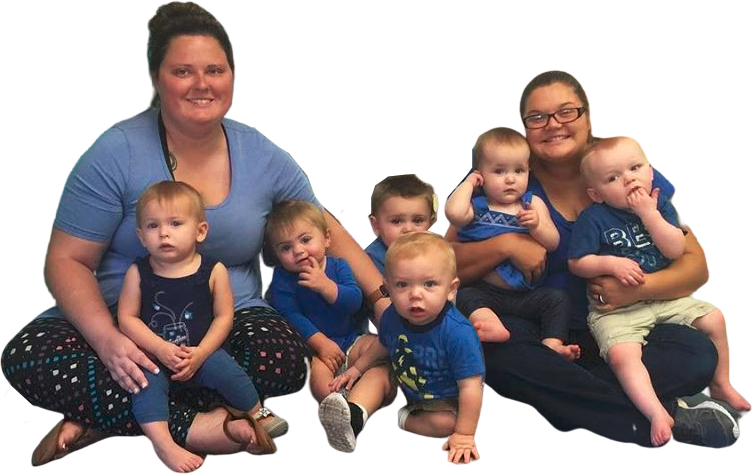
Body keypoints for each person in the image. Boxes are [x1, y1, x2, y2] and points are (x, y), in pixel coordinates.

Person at [0, 0, 388, 467]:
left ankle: (111, 417)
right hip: (126, 324)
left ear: (231, 74)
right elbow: (64, 262)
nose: (202, 84)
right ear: (157, 76)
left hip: (226, 323)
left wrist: (383, 301)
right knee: (25, 353)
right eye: (183, 71)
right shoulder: (113, 154)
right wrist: (108, 341)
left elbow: (323, 225)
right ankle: (200, 427)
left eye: (215, 70)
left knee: (282, 357)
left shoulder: (260, 153)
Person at [445, 69, 740, 449]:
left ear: (588, 115)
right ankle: (670, 423)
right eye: (537, 118)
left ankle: (536, 409)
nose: (553, 125)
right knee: (493, 351)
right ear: (524, 128)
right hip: (535, 331)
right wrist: (505, 246)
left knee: (697, 354)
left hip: (623, 327)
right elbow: (443, 262)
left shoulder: (635, 176)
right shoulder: (504, 175)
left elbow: (696, 266)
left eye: (566, 112)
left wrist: (636, 291)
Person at [568, 135, 750, 446]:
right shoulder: (594, 218)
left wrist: (649, 214)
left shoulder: (660, 204)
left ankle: (720, 382)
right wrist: (610, 264)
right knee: (623, 356)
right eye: (614, 178)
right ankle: (656, 412)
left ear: (651, 172)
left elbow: (677, 248)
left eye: (635, 168)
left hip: (665, 298)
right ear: (596, 194)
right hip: (617, 310)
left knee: (716, 319)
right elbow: (577, 263)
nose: (629, 179)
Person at [120, 182, 281, 473]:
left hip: (202, 352)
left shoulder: (214, 270)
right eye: (153, 226)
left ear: (200, 231)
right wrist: (160, 348)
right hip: (155, 356)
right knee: (143, 385)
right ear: (141, 236)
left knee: (230, 370)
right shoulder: (138, 273)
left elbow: (224, 318)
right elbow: (127, 319)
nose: (164, 233)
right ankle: (163, 444)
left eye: (175, 223)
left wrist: (203, 352)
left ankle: (258, 412)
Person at [331, 232, 485, 466]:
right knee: (376, 374)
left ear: (451, 289)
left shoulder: (458, 333)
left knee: (447, 425)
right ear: (388, 288)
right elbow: (382, 345)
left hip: (440, 400)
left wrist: (465, 435)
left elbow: (472, 388)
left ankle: (392, 418)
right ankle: (354, 415)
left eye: (429, 284)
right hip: (403, 382)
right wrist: (357, 369)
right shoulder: (393, 316)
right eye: (402, 285)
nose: (415, 295)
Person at [444, 126, 580, 360]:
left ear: (529, 171)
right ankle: (487, 323)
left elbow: (553, 242)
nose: (510, 179)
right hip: (485, 291)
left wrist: (537, 225)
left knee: (558, 299)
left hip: (525, 294)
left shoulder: (531, 204)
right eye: (499, 171)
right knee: (463, 295)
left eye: (519, 170)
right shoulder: (476, 207)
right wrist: (468, 184)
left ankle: (552, 344)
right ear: (480, 176)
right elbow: (453, 215)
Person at [366, 174, 436, 274]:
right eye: (396, 221)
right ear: (376, 226)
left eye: (418, 220)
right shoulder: (371, 262)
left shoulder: (436, 253)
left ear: (430, 224)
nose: (408, 229)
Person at [369, 49, 420, 133]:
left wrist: (372, 63)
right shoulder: (407, 36)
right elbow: (415, 60)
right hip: (406, 80)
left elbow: (375, 55)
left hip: (389, 81)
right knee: (406, 118)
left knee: (387, 118)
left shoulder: (383, 36)